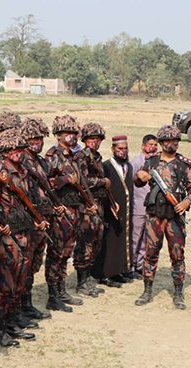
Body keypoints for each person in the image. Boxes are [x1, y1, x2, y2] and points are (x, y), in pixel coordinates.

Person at [0, 127, 47, 346]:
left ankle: (12, 321)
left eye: (21, 148)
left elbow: (29, 200)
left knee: (20, 280)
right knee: (5, 284)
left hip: (25, 232)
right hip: (7, 237)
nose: (19, 152)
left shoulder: (24, 171)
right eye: (14, 149)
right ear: (5, 151)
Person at [134, 125, 191, 309]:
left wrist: (186, 202)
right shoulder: (151, 161)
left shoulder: (184, 164)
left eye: (175, 140)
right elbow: (138, 182)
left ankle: (178, 293)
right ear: (161, 143)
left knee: (177, 256)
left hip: (175, 217)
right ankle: (147, 291)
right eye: (168, 140)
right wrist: (140, 176)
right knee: (150, 254)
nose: (172, 144)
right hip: (155, 215)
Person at [44, 115, 96, 312]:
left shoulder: (75, 157)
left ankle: (61, 289)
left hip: (75, 210)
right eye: (67, 133)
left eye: (74, 133)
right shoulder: (52, 156)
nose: (71, 137)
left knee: (66, 252)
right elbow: (45, 183)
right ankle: (53, 295)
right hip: (60, 212)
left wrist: (87, 203)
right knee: (56, 253)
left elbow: (82, 182)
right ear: (58, 135)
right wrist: (64, 180)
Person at [20, 116, 59, 320]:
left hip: (44, 219)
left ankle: (26, 303)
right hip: (30, 222)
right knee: (25, 265)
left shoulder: (42, 162)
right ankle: (21, 306)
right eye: (33, 139)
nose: (37, 142)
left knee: (35, 264)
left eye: (40, 138)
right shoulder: (22, 163)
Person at [93, 135, 134, 286]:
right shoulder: (106, 166)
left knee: (121, 239)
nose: (123, 151)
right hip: (109, 210)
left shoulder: (129, 166)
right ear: (113, 149)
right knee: (108, 240)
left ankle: (117, 271)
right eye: (120, 148)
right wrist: (108, 205)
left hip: (125, 210)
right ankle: (105, 274)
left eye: (125, 148)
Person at [73, 122, 108, 297]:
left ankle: (87, 280)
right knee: (85, 245)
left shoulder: (97, 156)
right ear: (85, 140)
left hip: (98, 204)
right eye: (91, 139)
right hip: (86, 207)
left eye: (97, 139)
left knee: (96, 243)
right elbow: (82, 181)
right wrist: (102, 181)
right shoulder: (81, 157)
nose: (94, 142)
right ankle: (81, 283)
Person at [129, 134, 158, 280]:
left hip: (151, 206)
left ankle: (139, 265)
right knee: (135, 237)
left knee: (146, 239)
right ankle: (130, 266)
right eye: (150, 144)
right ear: (143, 146)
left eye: (155, 145)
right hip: (138, 205)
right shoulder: (135, 162)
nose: (153, 147)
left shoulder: (157, 163)